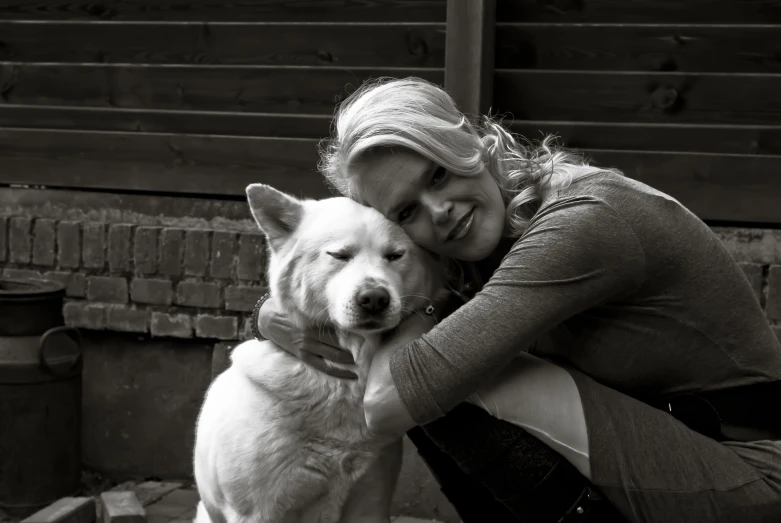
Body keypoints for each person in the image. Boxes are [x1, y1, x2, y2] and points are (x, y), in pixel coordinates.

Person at [254, 76, 781, 523]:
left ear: (469, 142)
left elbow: (388, 405)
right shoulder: (481, 227)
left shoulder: (583, 221)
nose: (437, 210)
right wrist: (279, 318)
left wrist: (419, 312)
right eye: (407, 211)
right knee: (435, 362)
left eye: (438, 173)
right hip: (659, 443)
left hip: (745, 469)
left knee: (436, 381)